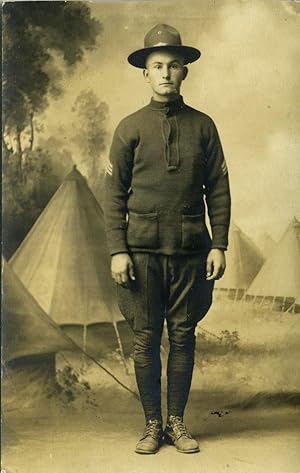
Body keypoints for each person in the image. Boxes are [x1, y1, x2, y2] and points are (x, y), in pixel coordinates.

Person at [104, 23, 231, 455]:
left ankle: (176, 423)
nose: (165, 73)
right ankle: (151, 425)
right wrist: (118, 250)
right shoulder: (129, 128)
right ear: (144, 72)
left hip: (191, 252)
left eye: (173, 66)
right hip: (140, 256)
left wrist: (220, 243)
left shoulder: (204, 127)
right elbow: (114, 195)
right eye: (157, 66)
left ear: (185, 72)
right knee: (144, 339)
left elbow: (218, 188)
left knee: (183, 337)